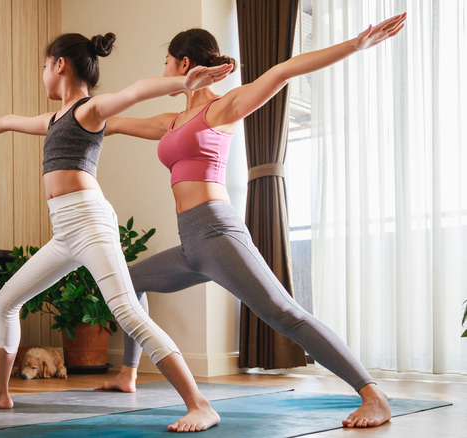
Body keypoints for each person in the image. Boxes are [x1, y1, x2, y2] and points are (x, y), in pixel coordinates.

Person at [98, 13, 407, 430]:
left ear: (184, 64)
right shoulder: (171, 121)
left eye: (167, 62)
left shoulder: (223, 107)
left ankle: (374, 395)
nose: (164, 70)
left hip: (217, 232)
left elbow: (283, 71)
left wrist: (355, 45)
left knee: (285, 313)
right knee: (130, 281)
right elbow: (107, 122)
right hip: (192, 243)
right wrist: (63, 115)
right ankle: (128, 375)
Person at [0, 32, 234, 433]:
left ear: (59, 64)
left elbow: (137, 90)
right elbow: (11, 122)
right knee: (7, 300)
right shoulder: (53, 119)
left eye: (44, 67)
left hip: (90, 222)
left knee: (128, 313)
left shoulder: (90, 110)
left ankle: (200, 404)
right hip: (64, 231)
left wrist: (185, 83)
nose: (43, 75)